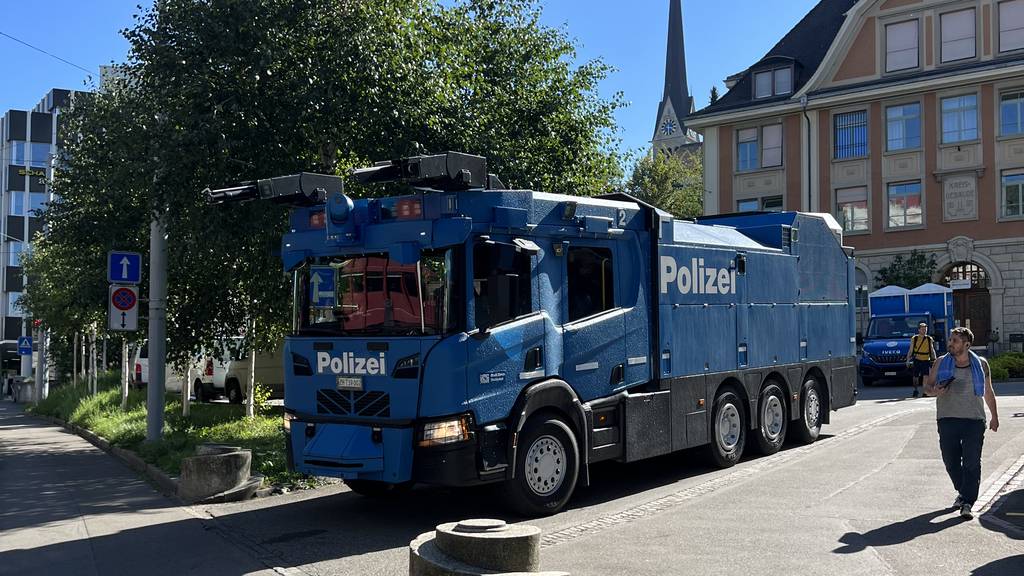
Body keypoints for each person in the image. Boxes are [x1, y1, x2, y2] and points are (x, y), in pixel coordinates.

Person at [923, 327, 999, 520]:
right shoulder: (941, 362)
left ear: (966, 344)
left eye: (955, 340)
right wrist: (935, 392)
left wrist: (994, 416)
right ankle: (964, 492)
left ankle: (967, 502)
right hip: (947, 419)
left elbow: (988, 392)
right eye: (950, 339)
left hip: (974, 420)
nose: (950, 343)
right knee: (951, 462)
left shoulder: (981, 364)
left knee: (972, 463)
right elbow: (927, 386)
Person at [905, 322, 936, 398]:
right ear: (919, 330)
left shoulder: (929, 339)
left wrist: (935, 359)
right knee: (915, 377)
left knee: (926, 376)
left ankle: (924, 392)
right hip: (917, 360)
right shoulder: (914, 338)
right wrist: (908, 359)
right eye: (922, 329)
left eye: (925, 329)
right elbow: (911, 350)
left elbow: (932, 350)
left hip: (926, 360)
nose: (924, 331)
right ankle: (915, 390)